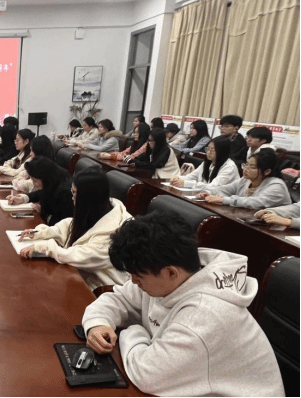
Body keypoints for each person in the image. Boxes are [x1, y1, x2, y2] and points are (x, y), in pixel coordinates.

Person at [82, 211, 285, 397]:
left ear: (171, 272)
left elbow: (147, 375)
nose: (134, 281)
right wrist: (98, 323)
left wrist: (133, 330)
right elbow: (117, 298)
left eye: (138, 275)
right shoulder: (166, 272)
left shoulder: (204, 315)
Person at [16, 168, 131, 290]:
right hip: (81, 276)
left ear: (87, 197)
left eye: (74, 193)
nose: (72, 197)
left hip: (101, 289)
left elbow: (83, 256)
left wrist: (46, 247)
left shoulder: (116, 232)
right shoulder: (98, 208)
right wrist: (41, 233)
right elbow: (72, 225)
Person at [197, 148, 291, 209]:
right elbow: (225, 189)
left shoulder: (277, 186)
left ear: (267, 171)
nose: (246, 169)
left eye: (252, 167)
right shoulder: (245, 180)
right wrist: (209, 192)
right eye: (246, 164)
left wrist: (224, 200)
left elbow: (256, 203)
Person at [6, 156, 73, 226]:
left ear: (45, 178)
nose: (34, 184)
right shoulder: (53, 179)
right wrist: (22, 199)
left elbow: (60, 224)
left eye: (35, 181)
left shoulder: (65, 192)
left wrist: (43, 212)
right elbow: (40, 193)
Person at [170, 136, 240, 191]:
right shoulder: (208, 162)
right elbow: (192, 177)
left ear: (222, 152)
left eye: (213, 150)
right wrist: (178, 178)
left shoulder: (229, 167)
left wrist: (186, 183)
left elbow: (213, 187)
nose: (208, 152)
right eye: (208, 149)